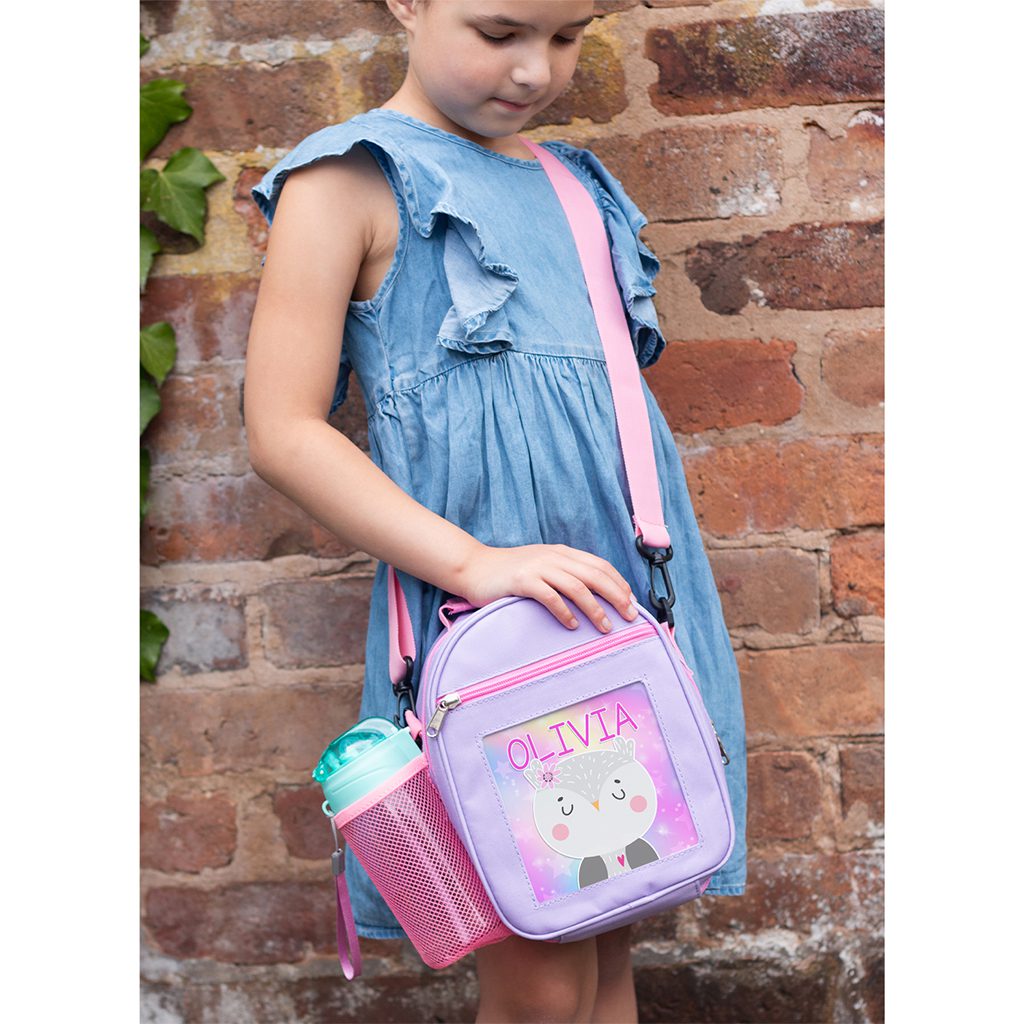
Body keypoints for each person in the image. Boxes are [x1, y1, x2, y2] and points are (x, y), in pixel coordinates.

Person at [245, 1, 747, 1020]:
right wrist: (476, 564)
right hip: (490, 627)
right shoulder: (351, 181)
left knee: (607, 937)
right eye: (499, 31)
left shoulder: (573, 188)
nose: (533, 71)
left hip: (617, 607)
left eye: (566, 37)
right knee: (539, 975)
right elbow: (283, 430)